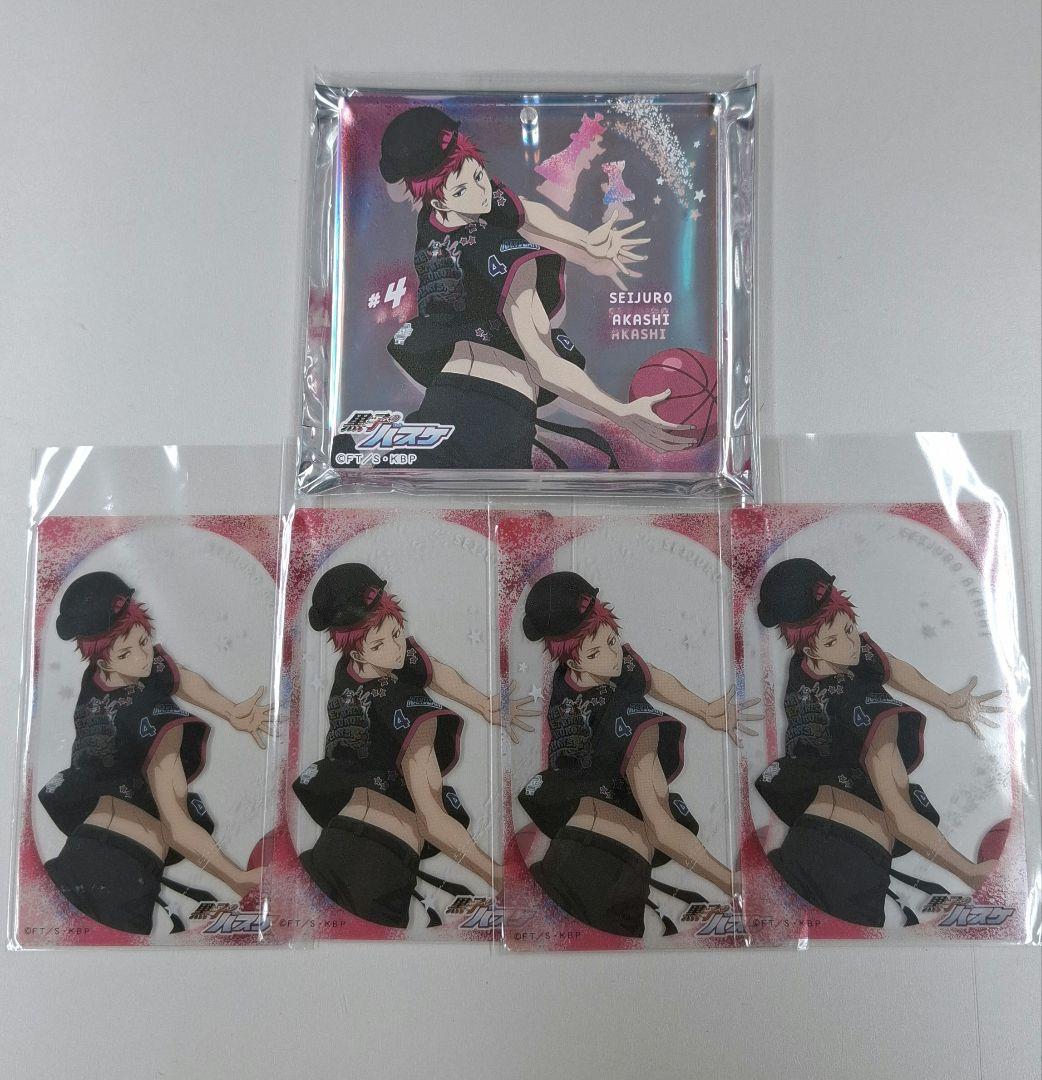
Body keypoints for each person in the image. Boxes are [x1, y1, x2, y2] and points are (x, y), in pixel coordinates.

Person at [377, 106, 694, 470]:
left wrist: (585, 240)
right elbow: (545, 365)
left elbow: (520, 210)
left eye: (480, 176)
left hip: (443, 398)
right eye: (464, 189)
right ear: (439, 199)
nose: (481, 192)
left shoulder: (434, 222)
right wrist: (621, 413)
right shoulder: (508, 257)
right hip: (499, 408)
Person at [754, 557, 1002, 927]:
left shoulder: (804, 668)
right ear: (812, 648)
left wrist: (945, 700)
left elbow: (888, 665)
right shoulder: (871, 713)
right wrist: (970, 872)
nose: (850, 645)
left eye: (850, 629)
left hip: (800, 843)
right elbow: (901, 819)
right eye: (834, 640)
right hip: (852, 863)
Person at [517, 571, 758, 938]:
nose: (614, 656)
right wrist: (735, 885)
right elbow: (663, 830)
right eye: (597, 652)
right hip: (610, 870)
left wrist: (705, 708)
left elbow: (651, 676)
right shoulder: (632, 719)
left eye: (613, 640)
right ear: (576, 661)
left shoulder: (567, 682)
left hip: (566, 853)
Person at [294, 563, 535, 928]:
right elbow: (433, 822)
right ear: (357, 651)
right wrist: (500, 878)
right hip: (380, 862)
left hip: (331, 845)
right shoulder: (409, 711)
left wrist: (483, 703)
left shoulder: (349, 675)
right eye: (380, 643)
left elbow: (432, 670)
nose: (396, 649)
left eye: (396, 633)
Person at [39, 572, 270, 935]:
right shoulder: (158, 721)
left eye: (144, 641)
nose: (142, 658)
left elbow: (179, 676)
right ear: (105, 660)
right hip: (125, 870)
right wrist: (236, 878)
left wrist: (229, 710)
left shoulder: (96, 680)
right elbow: (177, 828)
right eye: (126, 653)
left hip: (76, 851)